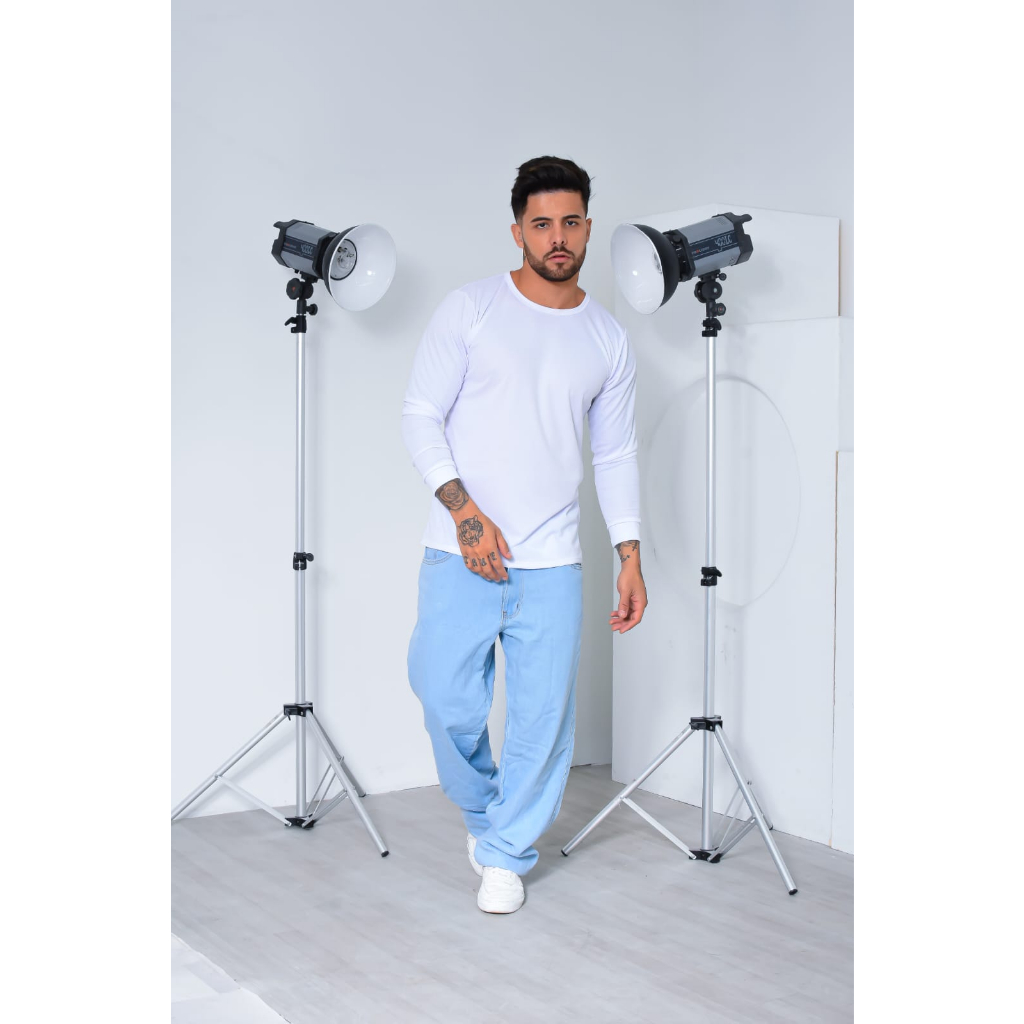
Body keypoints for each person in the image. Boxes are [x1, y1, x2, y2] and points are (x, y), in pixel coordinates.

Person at [401, 155, 647, 914]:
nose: (557, 237)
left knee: (542, 720)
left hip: (554, 561)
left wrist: (629, 554)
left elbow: (615, 454)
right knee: (444, 697)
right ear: (518, 232)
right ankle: (485, 817)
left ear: (588, 228)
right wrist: (465, 514)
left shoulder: (607, 338)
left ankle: (507, 853)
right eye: (541, 224)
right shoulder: (471, 309)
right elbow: (420, 414)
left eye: (570, 222)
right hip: (460, 551)